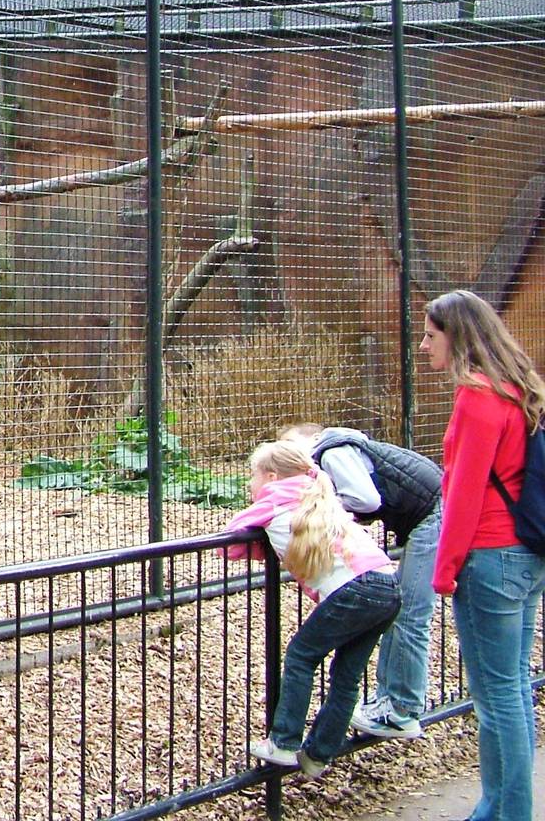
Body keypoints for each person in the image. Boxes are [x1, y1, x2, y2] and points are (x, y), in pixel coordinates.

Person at [425, 289, 545, 821]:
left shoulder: (476, 398)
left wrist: (444, 570)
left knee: (497, 699)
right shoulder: (516, 390)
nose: (425, 345)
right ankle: (497, 806)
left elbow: (465, 492)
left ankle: (509, 811)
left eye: (431, 335)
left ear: (459, 337)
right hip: (524, 555)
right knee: (513, 687)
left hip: (489, 557)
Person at [228, 440, 402, 779]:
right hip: (387, 583)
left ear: (272, 477)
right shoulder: (318, 495)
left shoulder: (274, 499)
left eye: (253, 476)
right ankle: (318, 755)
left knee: (301, 655)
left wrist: (262, 540)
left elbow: (232, 540)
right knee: (347, 676)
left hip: (355, 589)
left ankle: (284, 741)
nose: (250, 484)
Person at [280, 422, 440, 739]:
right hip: (429, 514)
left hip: (434, 515)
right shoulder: (343, 448)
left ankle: (401, 708)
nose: (287, 451)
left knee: (408, 612)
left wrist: (325, 506)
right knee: (403, 611)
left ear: (312, 437)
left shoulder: (330, 450)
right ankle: (392, 702)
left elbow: (365, 499)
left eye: (290, 443)